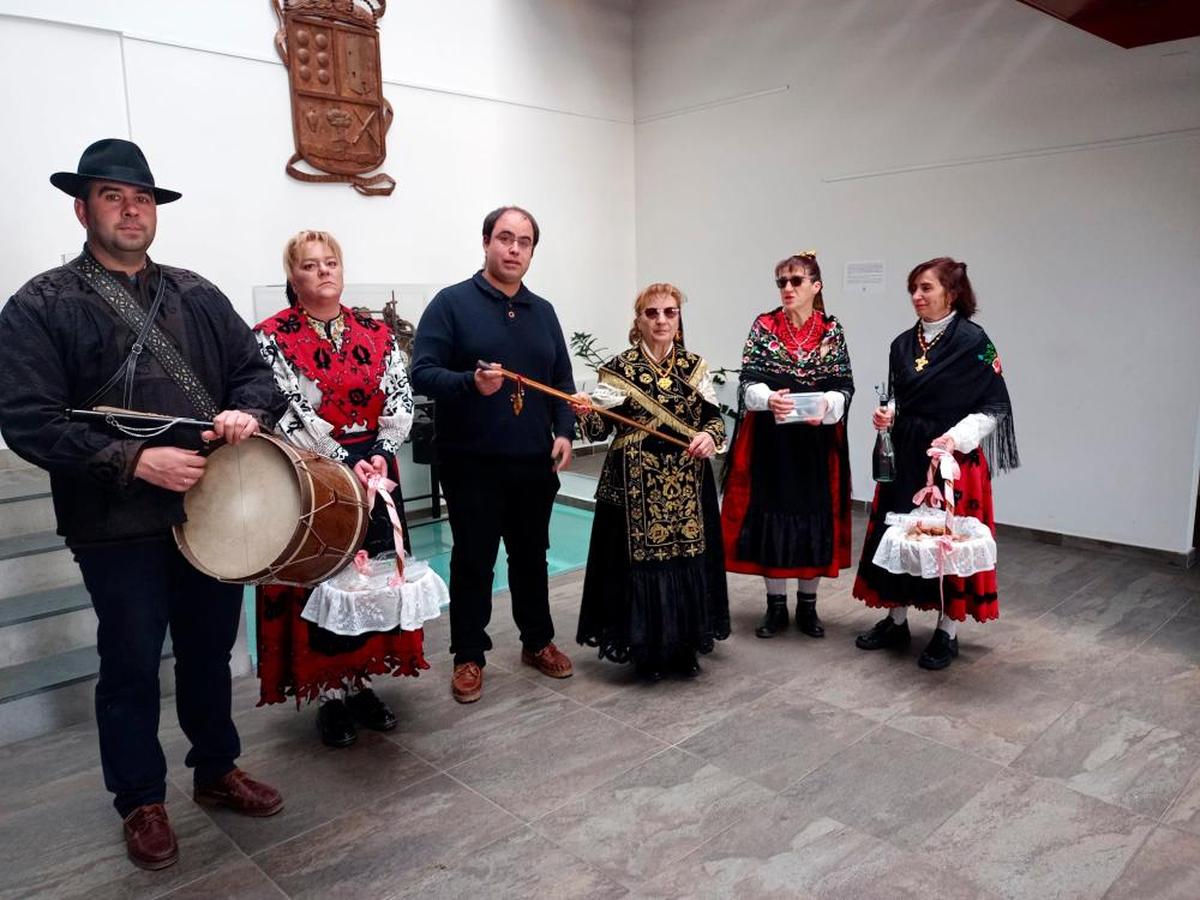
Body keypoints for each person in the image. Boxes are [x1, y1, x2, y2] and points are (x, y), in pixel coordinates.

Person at [0, 139, 287, 871]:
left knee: (209, 652)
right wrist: (135, 460)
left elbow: (258, 377)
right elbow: (30, 421)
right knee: (129, 661)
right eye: (112, 196)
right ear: (81, 207)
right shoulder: (40, 303)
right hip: (113, 519)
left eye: (143, 199)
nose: (131, 210)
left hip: (212, 509)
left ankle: (216, 768)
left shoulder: (197, 293)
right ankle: (141, 799)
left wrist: (244, 415)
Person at [253, 230, 428, 744]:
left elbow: (399, 393)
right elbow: (286, 406)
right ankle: (327, 692)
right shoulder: (270, 336)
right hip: (312, 476)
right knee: (323, 579)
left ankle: (361, 680)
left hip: (374, 469)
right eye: (310, 265)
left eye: (331, 262)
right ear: (293, 276)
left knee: (372, 577)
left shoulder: (375, 333)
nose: (323, 271)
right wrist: (337, 460)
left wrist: (382, 450)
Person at [410, 206, 576, 703]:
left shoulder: (542, 311)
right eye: (505, 238)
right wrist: (469, 383)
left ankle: (537, 641)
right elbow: (422, 373)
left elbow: (562, 383)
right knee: (474, 561)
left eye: (524, 242)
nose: (514, 249)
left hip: (532, 462)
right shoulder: (451, 304)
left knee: (532, 557)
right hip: (472, 462)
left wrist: (564, 431)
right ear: (485, 242)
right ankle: (467, 655)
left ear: (531, 251)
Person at [852, 257, 1019, 670]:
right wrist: (887, 414)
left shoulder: (975, 343)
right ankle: (896, 619)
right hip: (907, 453)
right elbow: (898, 397)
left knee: (946, 544)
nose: (917, 297)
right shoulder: (901, 344)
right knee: (900, 537)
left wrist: (954, 439)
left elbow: (995, 406)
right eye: (913, 289)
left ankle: (948, 631)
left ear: (953, 293)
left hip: (951, 459)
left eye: (926, 288)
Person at [571, 283, 730, 679]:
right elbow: (597, 428)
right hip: (632, 484)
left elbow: (712, 418)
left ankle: (683, 647)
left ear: (679, 319)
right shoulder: (619, 369)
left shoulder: (695, 367)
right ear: (638, 320)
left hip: (687, 483)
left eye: (669, 312)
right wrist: (583, 409)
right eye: (652, 313)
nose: (661, 320)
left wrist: (709, 436)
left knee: (685, 559)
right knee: (635, 566)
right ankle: (646, 651)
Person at [720, 251, 855, 639]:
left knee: (813, 516)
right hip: (772, 442)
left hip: (815, 443)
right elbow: (748, 379)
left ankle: (808, 608)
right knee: (771, 516)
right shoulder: (764, 326)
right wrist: (767, 398)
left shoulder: (832, 329)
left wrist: (828, 405)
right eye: (782, 282)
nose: (788, 289)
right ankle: (776, 607)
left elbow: (844, 385)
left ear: (817, 286)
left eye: (796, 281)